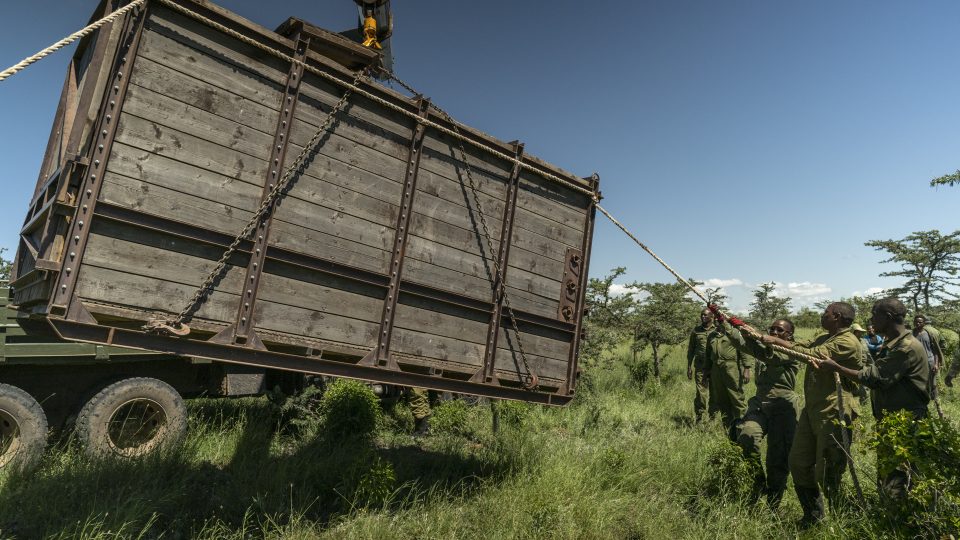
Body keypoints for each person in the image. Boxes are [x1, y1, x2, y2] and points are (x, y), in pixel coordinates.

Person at [760, 302, 863, 525]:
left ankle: (843, 521)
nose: (822, 316)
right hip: (812, 409)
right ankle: (813, 517)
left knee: (829, 470)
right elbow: (798, 345)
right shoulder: (824, 337)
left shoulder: (847, 341)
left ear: (836, 317)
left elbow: (812, 355)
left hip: (834, 409)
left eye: (825, 313)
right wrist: (755, 334)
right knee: (798, 462)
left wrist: (776, 341)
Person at [817, 298, 930, 500]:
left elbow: (875, 378)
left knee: (900, 478)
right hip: (894, 419)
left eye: (874, 315)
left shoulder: (906, 347)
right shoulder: (892, 342)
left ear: (887, 317)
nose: (871, 320)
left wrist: (837, 368)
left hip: (906, 422)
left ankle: (900, 523)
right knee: (890, 473)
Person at [723, 317, 802, 509]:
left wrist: (754, 339)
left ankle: (774, 501)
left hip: (783, 406)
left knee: (778, 456)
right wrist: (727, 325)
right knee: (747, 435)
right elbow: (743, 345)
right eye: (772, 329)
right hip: (759, 403)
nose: (774, 332)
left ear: (789, 335)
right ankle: (757, 483)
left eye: (780, 330)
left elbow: (768, 355)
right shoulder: (763, 345)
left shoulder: (791, 351)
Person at [705, 314, 754, 433]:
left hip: (732, 369)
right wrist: (707, 371)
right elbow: (708, 355)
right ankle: (728, 429)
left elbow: (744, 351)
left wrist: (746, 368)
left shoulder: (733, 334)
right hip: (716, 370)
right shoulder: (712, 336)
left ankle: (742, 427)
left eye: (719, 319)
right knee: (721, 400)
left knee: (736, 398)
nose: (717, 321)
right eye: (715, 319)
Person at [687, 309, 715, 423]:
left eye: (706, 315)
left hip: (714, 367)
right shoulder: (696, 331)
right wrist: (689, 366)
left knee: (714, 393)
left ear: (711, 316)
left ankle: (712, 418)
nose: (703, 316)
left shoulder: (717, 330)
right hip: (700, 367)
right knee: (701, 393)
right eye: (701, 314)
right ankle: (699, 416)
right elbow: (691, 349)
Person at [912, 315, 944, 401]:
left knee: (932, 383)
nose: (917, 324)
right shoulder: (912, 334)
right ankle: (922, 399)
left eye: (920, 322)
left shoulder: (929, 334)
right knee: (919, 381)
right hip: (917, 362)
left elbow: (935, 351)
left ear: (924, 323)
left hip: (930, 361)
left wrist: (936, 364)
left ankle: (936, 401)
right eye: (916, 322)